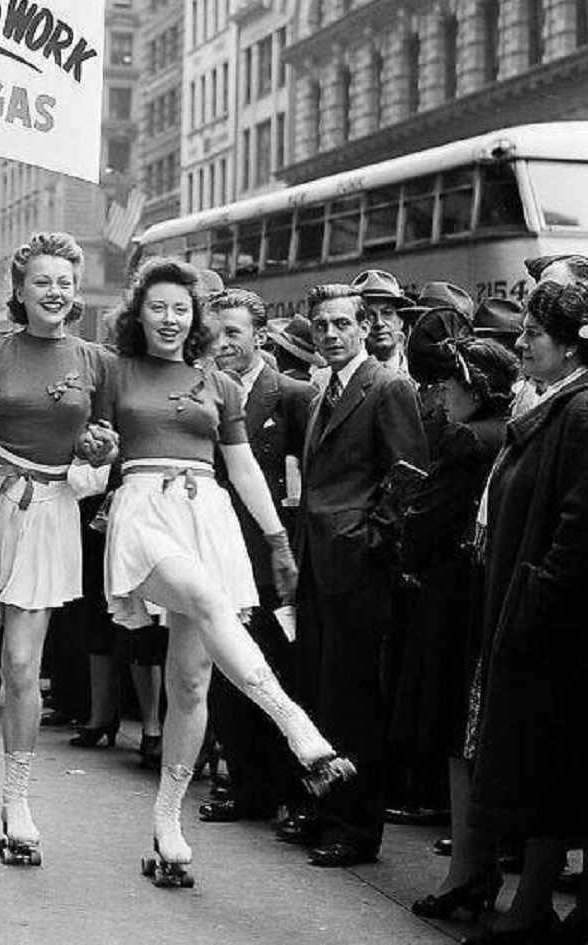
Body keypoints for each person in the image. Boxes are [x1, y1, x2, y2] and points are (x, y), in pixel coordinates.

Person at [91, 258, 354, 888]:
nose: (170, 318)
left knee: (190, 683)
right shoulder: (115, 370)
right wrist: (92, 448)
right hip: (142, 509)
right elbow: (91, 439)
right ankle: (301, 733)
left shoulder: (220, 384)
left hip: (207, 514)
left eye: (181, 308)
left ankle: (167, 822)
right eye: (158, 306)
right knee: (207, 599)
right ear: (138, 313)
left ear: (195, 317)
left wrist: (276, 540)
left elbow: (244, 469)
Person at [0, 232, 114, 862]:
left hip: (50, 513)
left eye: (65, 282)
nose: (55, 291)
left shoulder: (96, 360)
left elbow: (109, 438)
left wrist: (90, 469)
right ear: (19, 290)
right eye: (41, 281)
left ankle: (17, 800)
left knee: (21, 665)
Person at [466, 280, 588, 944]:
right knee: (540, 766)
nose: (520, 344)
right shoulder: (565, 403)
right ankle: (534, 906)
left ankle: (534, 909)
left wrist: (534, 601)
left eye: (533, 335)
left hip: (556, 628)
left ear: (572, 344)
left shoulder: (585, 410)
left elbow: (581, 530)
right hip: (537, 616)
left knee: (549, 767)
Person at [288, 283, 428, 868]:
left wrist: (373, 538)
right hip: (320, 562)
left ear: (365, 326)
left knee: (353, 700)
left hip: (356, 564)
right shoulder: (327, 387)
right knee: (320, 691)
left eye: (342, 324)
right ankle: (325, 810)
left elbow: (410, 470)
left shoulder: (387, 385)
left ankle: (356, 826)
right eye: (322, 325)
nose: (331, 335)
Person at [399, 312, 518, 924]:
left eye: (449, 387)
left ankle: (464, 873)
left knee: (454, 736)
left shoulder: (468, 440)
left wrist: (409, 529)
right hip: (484, 593)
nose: (441, 397)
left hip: (454, 596)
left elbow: (426, 520)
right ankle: (479, 865)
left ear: (473, 387)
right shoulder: (510, 431)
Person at [201, 288, 315, 825]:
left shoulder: (291, 396)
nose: (222, 344)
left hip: (269, 560)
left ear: (260, 337)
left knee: (279, 673)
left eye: (234, 333)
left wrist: (286, 549)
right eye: (214, 332)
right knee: (226, 674)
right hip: (215, 552)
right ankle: (248, 787)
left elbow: (306, 481)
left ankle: (294, 791)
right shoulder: (197, 389)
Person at [351, 268, 414, 376]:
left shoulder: (421, 377)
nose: (379, 323)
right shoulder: (338, 380)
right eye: (369, 316)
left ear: (401, 320)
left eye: (387, 313)